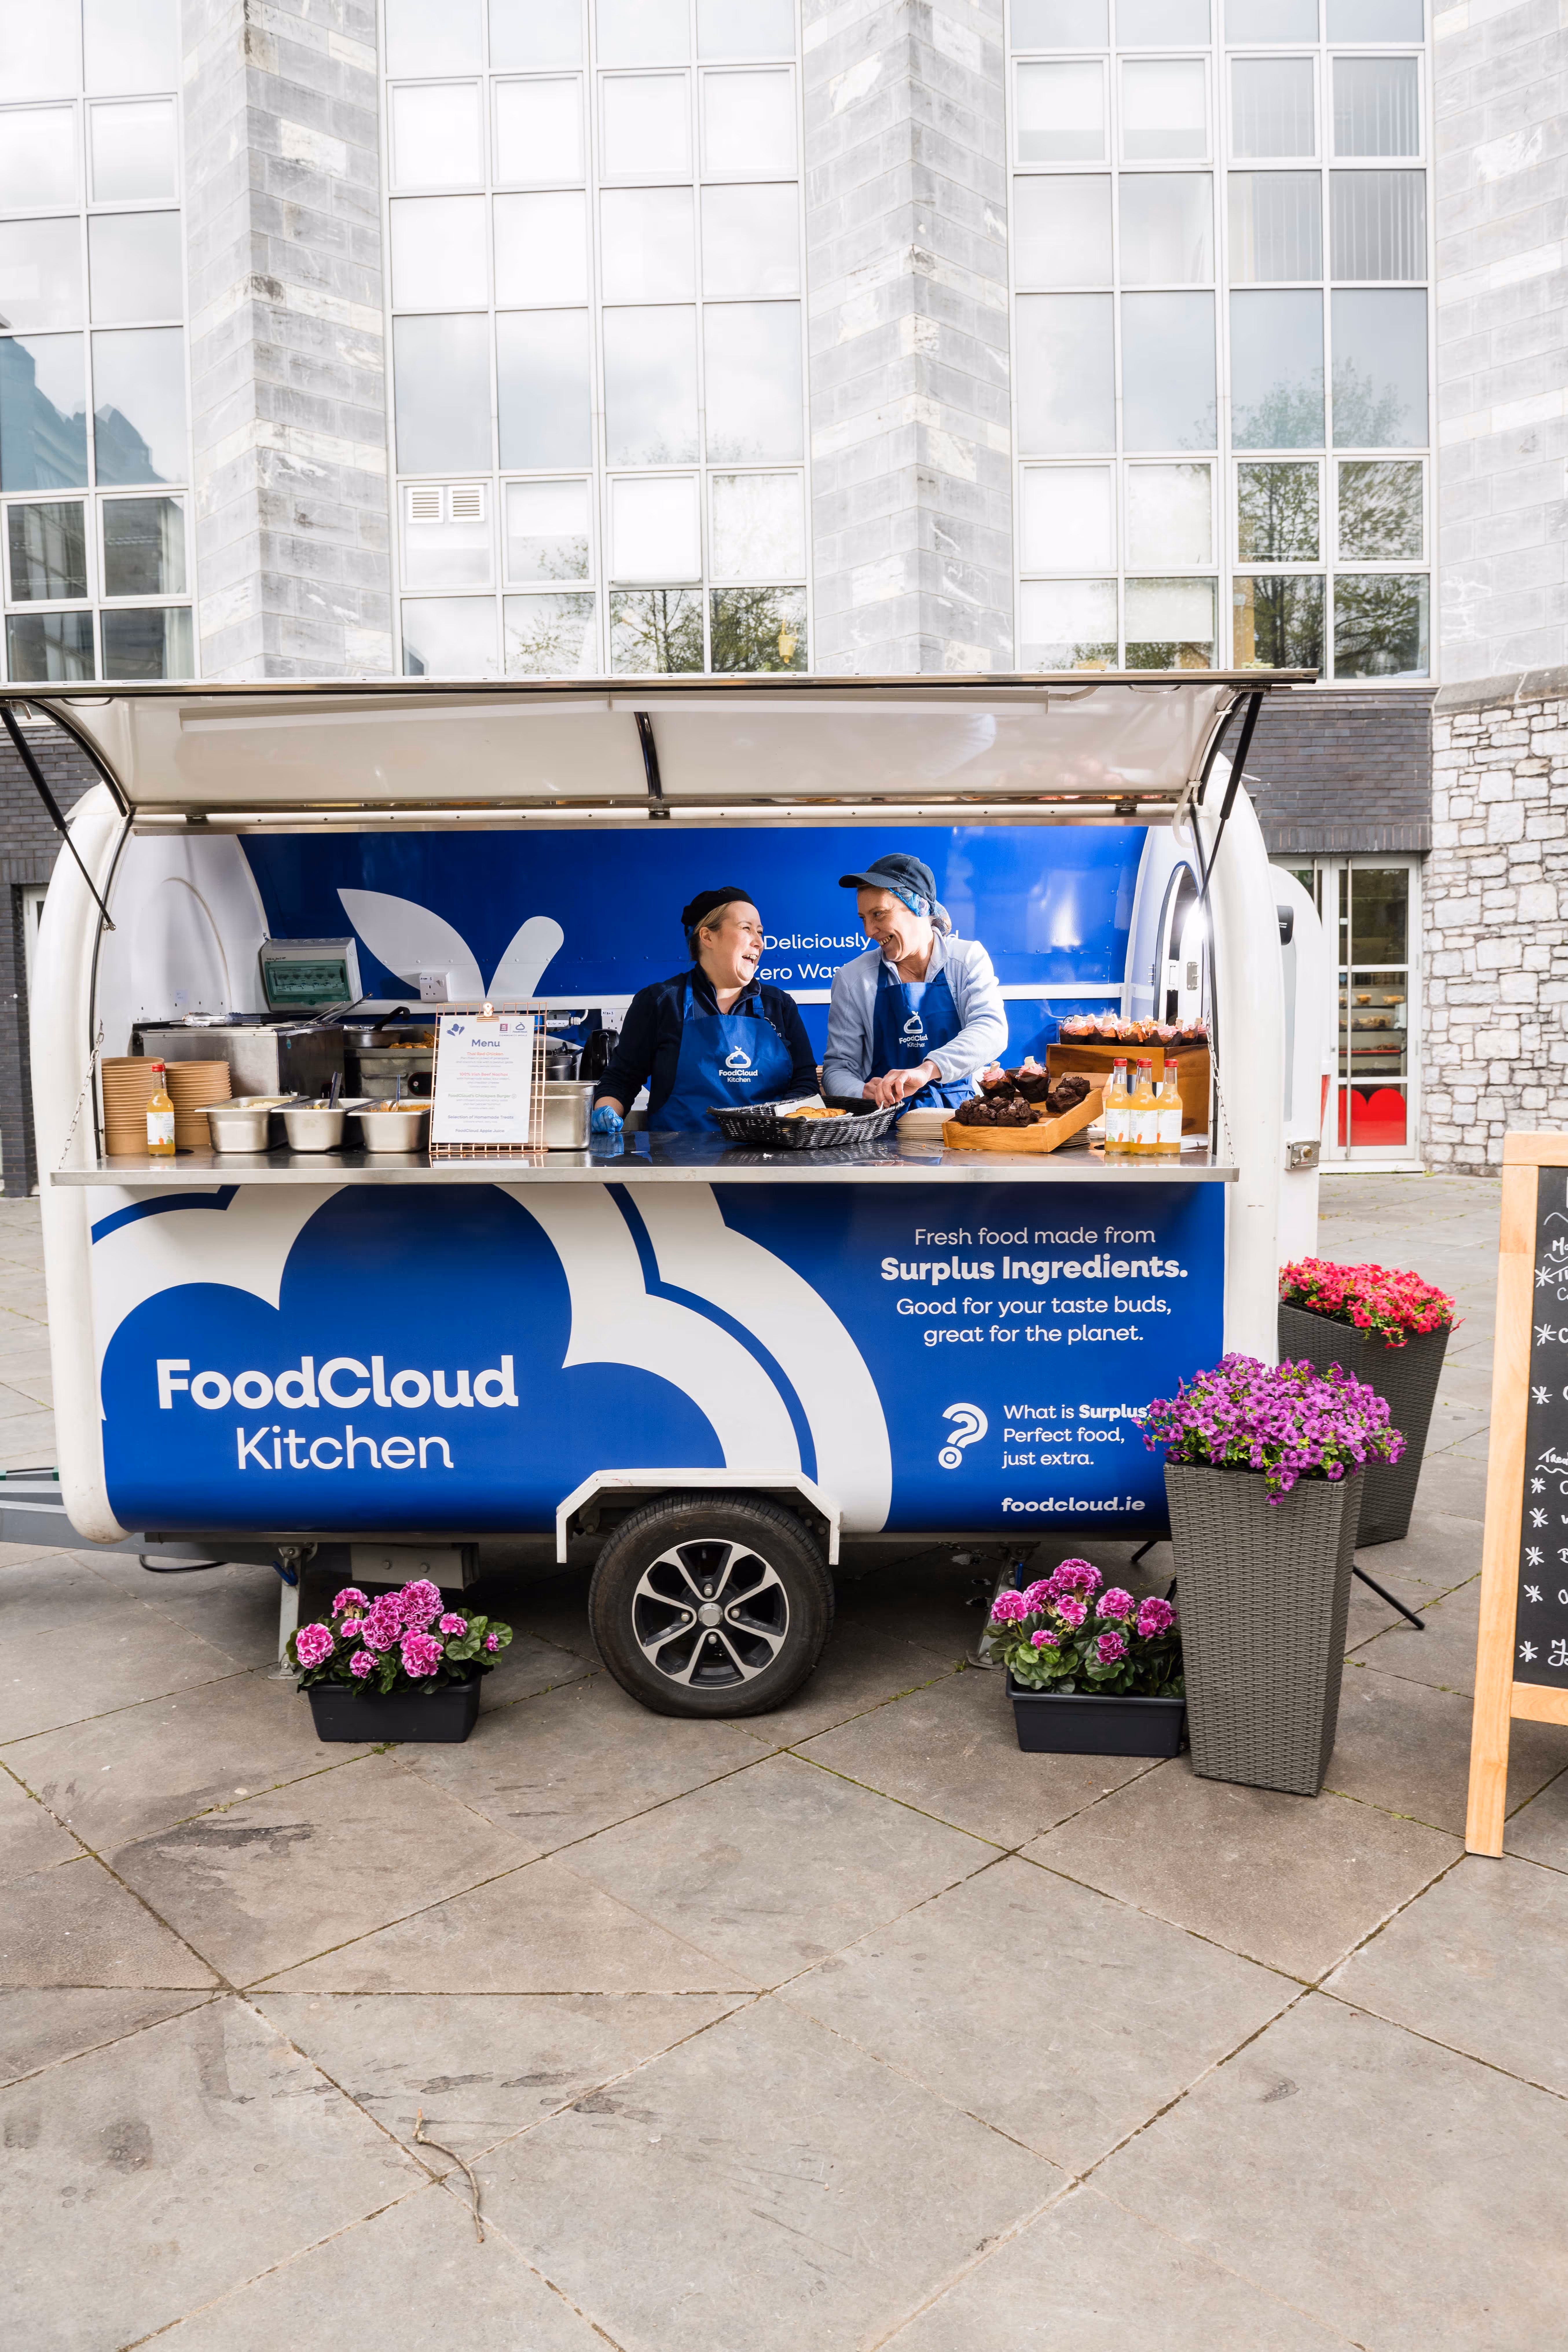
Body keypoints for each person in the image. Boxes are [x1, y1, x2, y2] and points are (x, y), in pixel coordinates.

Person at [590, 888, 818, 1134]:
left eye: (760, 932)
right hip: (680, 1161)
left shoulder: (780, 1005)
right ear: (708, 937)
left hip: (769, 1154)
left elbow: (805, 1083)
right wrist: (606, 1111)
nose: (759, 942)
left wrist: (778, 1128)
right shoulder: (660, 1002)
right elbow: (622, 1079)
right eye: (746, 929)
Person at [823, 853, 1006, 1112]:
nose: (868, 931)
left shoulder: (966, 959)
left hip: (962, 1117)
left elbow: (991, 1030)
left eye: (879, 914)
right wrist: (861, 1091)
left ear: (919, 907)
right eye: (864, 918)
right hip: (881, 1123)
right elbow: (838, 1068)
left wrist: (927, 1070)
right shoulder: (853, 979)